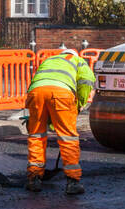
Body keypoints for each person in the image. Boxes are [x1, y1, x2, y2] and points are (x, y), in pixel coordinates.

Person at [25, 48, 95, 196]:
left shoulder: (49, 60)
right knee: (67, 137)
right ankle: (72, 182)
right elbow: (86, 82)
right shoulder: (78, 60)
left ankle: (34, 178)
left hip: (36, 93)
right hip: (61, 94)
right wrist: (79, 104)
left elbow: (39, 82)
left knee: (36, 135)